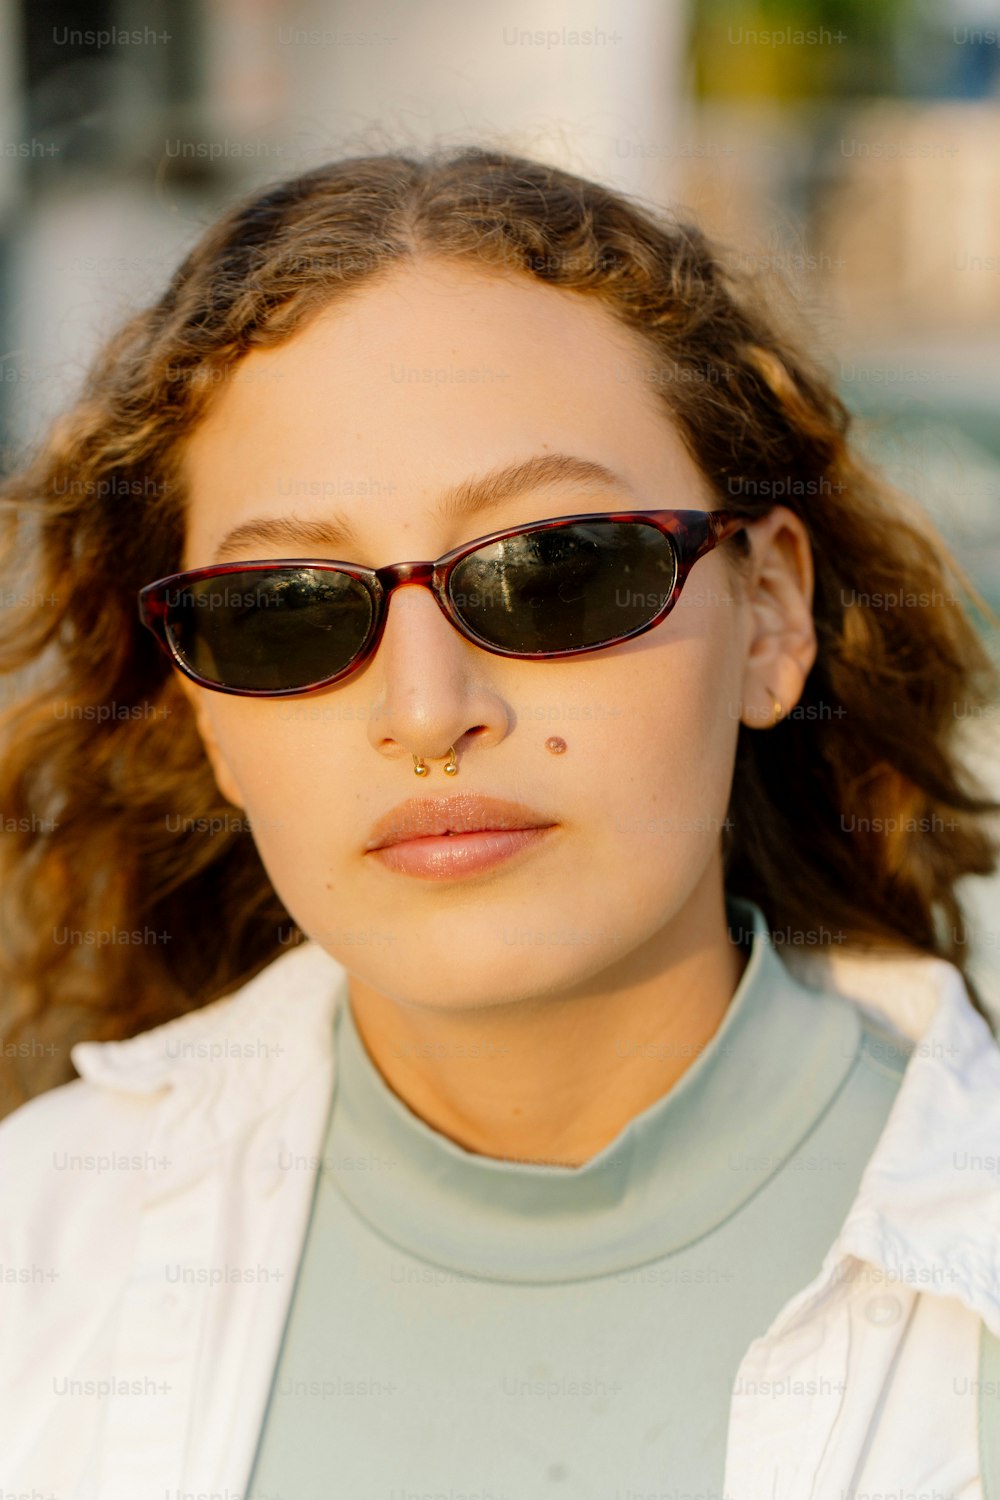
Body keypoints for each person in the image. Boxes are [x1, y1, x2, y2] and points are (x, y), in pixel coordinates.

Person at [1, 145, 999, 1498]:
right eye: (283, 607)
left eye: (557, 569)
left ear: (768, 614)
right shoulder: (37, 1257)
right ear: (199, 718)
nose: (427, 709)